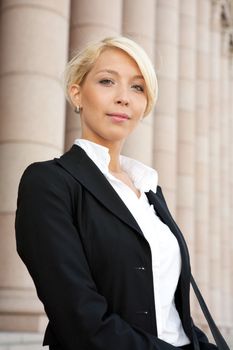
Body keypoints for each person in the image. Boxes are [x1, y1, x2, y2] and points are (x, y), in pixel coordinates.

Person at [15, 36, 219, 350]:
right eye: (108, 81)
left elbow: (171, 314)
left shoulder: (149, 190)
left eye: (137, 87)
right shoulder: (48, 183)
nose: (124, 97)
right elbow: (80, 318)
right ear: (77, 93)